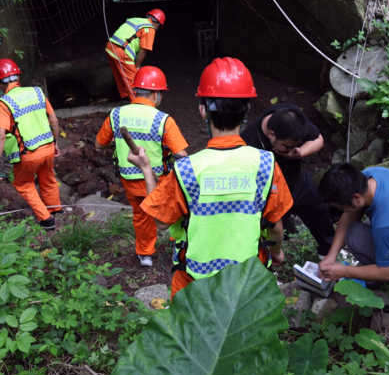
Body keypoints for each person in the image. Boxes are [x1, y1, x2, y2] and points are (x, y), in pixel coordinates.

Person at [125, 57, 293, 298]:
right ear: (246, 110)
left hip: (195, 287)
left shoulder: (187, 170)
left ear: (203, 110)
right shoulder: (266, 165)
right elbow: (275, 226)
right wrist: (276, 253)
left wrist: (146, 169)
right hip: (247, 285)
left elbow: (161, 222)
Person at [95, 66, 189, 267]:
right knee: (171, 211)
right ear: (156, 94)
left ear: (136, 90)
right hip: (158, 182)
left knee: (141, 214)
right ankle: (177, 243)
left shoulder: (116, 115)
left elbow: (99, 144)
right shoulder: (163, 119)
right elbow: (181, 155)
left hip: (129, 181)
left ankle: (145, 254)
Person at [241, 103, 335, 257]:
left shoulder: (292, 118)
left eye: (295, 145)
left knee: (319, 207)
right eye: (287, 146)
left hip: (296, 182)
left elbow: (318, 139)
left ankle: (329, 255)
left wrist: (301, 152)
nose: (292, 149)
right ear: (271, 135)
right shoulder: (248, 144)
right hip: (272, 197)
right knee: (270, 234)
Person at [0, 58, 62, 231]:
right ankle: (55, 209)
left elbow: (0, 135)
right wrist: (55, 142)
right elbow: (54, 120)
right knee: (48, 177)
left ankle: (46, 219)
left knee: (23, 183)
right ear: (17, 78)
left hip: (28, 154)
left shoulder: (3, 103)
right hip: (48, 148)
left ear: (0, 83)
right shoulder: (37, 92)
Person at [105, 9, 165, 101]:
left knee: (121, 77)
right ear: (157, 24)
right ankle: (137, 103)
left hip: (110, 47)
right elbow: (143, 50)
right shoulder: (149, 29)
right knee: (134, 81)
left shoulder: (136, 20)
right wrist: (137, 66)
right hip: (121, 52)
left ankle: (126, 97)